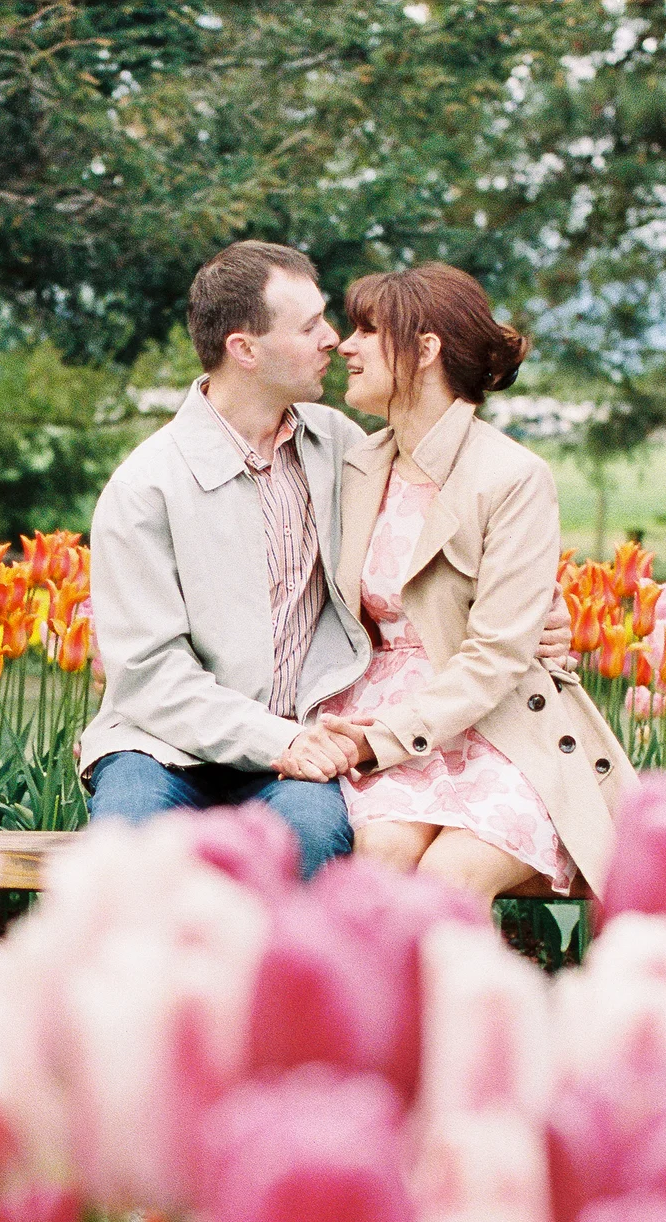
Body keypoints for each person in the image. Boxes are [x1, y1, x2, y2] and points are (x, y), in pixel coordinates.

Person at [77, 242, 571, 876]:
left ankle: (293, 977)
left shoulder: (339, 448)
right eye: (309, 325)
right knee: (132, 846)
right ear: (244, 349)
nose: (333, 340)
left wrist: (541, 622)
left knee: (314, 841)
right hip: (164, 746)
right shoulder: (146, 487)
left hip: (305, 740)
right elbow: (147, 674)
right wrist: (280, 740)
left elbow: (430, 534)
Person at [316, 261, 635, 904]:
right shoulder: (354, 465)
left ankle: (474, 1006)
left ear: (426, 349)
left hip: (500, 726)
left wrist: (379, 739)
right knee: (377, 862)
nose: (344, 346)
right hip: (375, 710)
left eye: (367, 330)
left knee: (448, 881)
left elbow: (496, 655)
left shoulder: (511, 476)